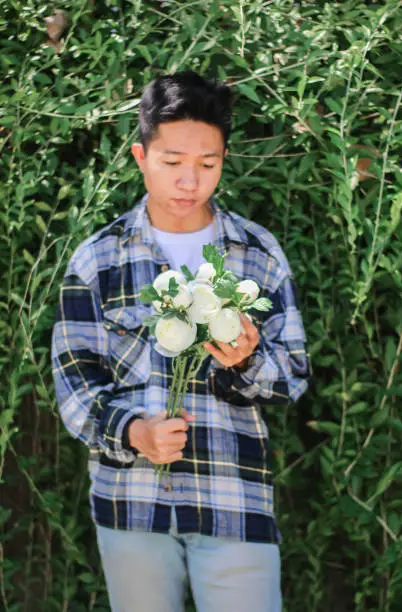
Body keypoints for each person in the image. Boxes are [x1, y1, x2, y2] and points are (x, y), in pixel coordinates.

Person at [52, 71, 310, 612]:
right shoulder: (97, 259)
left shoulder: (255, 253)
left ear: (224, 160)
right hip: (133, 504)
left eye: (208, 164)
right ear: (141, 156)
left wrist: (247, 363)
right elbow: (74, 380)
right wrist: (132, 431)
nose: (190, 180)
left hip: (234, 499)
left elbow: (293, 373)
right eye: (172, 162)